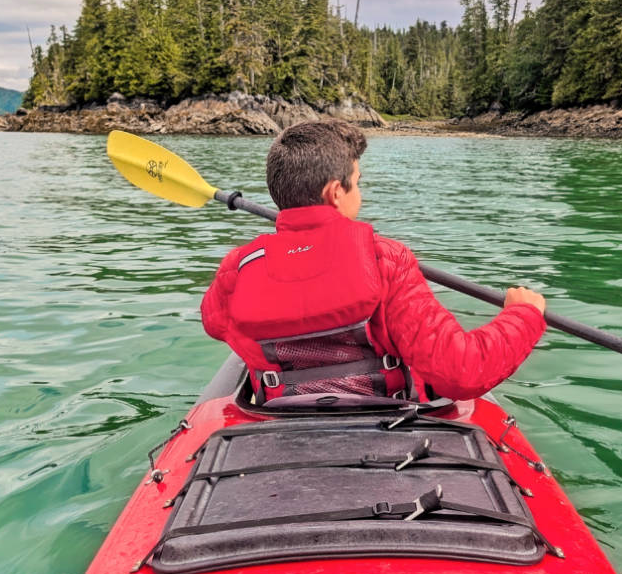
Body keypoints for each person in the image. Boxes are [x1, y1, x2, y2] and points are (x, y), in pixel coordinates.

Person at [200, 119, 547, 403]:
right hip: (382, 421)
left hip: (279, 417)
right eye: (358, 184)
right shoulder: (387, 260)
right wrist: (523, 314)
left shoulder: (238, 267)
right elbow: (462, 373)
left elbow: (215, 324)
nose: (360, 195)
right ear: (336, 192)